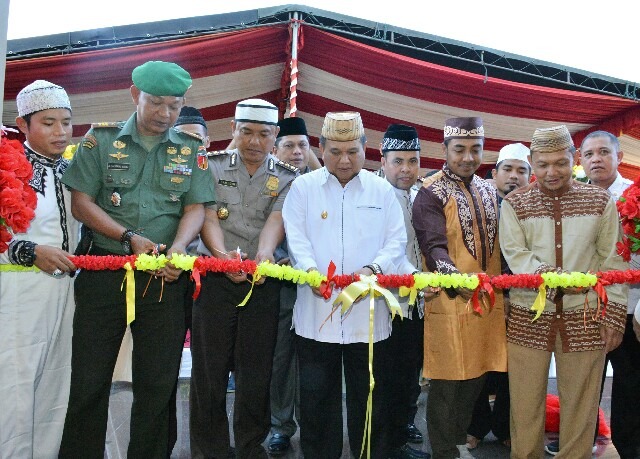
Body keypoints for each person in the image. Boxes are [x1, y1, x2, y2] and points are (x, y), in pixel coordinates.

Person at [59, 60, 215, 458]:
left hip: (163, 277)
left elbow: (196, 207)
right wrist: (127, 237)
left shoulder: (189, 149)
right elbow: (81, 203)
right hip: (104, 271)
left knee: (158, 385)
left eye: (174, 106)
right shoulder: (101, 141)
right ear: (135, 96)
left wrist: (179, 248)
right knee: (89, 381)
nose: (165, 114)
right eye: (156, 103)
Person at [282, 111, 406, 458]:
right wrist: (310, 271)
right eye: (335, 151)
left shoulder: (382, 190)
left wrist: (374, 267)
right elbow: (297, 238)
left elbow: (395, 240)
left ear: (365, 148)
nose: (344, 159)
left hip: (368, 315)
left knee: (371, 399)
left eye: (352, 150)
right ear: (320, 149)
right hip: (315, 313)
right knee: (317, 399)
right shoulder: (303, 189)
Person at [499, 125, 628, 459]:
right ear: (531, 162)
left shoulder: (600, 202)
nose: (551, 171)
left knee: (582, 408)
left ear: (574, 159)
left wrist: (613, 315)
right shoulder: (515, 204)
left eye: (560, 162)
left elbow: (613, 260)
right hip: (529, 317)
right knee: (525, 406)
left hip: (585, 316)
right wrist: (552, 277)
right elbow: (516, 254)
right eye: (542, 164)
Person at [189, 98, 298, 458]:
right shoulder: (211, 165)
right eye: (246, 132)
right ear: (233, 130)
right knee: (210, 372)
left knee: (256, 372)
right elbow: (207, 216)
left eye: (263, 134)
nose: (254, 141)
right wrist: (222, 259)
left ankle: (251, 446)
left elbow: (275, 221)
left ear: (275, 135)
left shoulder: (286, 177)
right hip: (215, 280)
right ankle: (211, 449)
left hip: (262, 282)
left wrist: (264, 257)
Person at [412, 116, 507, 459]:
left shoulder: (486, 188)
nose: (468, 157)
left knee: (477, 377)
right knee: (448, 383)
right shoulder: (430, 191)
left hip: (488, 302)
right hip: (451, 301)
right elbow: (432, 243)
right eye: (460, 149)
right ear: (445, 149)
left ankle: (455, 442)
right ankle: (441, 449)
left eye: (475, 149)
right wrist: (455, 278)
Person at [543, 130, 640, 459]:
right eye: (589, 154)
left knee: (630, 383)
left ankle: (630, 446)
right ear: (579, 160)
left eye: (604, 152)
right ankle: (575, 441)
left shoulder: (634, 197)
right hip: (582, 306)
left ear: (619, 157)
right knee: (581, 382)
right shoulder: (572, 197)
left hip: (628, 309)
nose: (596, 159)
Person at [0, 80, 78, 458]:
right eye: (48, 123)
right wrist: (29, 251)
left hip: (67, 290)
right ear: (23, 124)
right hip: (18, 290)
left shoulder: (76, 170)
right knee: (15, 382)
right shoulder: (6, 165)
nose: (60, 132)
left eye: (66, 121)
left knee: (55, 381)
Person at [466, 142, 531, 451]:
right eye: (507, 170)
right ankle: (476, 425)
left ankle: (505, 425)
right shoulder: (478, 205)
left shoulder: (534, 209)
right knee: (478, 361)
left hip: (522, 300)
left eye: (521, 171)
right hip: (480, 296)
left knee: (513, 365)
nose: (514, 177)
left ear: (530, 176)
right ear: (494, 174)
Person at [378, 123, 431, 459]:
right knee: (385, 380)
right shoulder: (374, 197)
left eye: (412, 161)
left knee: (408, 377)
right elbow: (389, 253)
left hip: (416, 304)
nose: (406, 169)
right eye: (398, 161)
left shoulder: (419, 196)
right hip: (385, 305)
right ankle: (384, 446)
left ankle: (399, 436)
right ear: (383, 161)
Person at [267, 116, 313, 456]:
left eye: (302, 145)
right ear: (275, 148)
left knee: (315, 361)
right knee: (280, 359)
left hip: (319, 288)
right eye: (289, 145)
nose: (296, 152)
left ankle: (314, 424)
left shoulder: (322, 184)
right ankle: (281, 426)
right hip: (279, 286)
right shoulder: (267, 182)